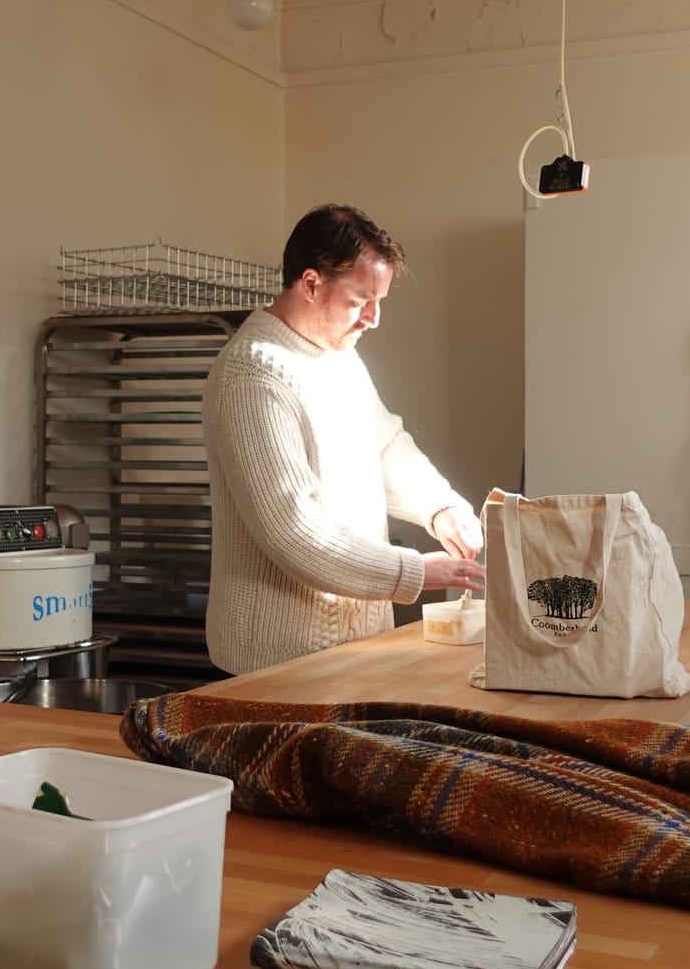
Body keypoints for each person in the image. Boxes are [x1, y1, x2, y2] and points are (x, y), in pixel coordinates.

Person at [202, 204, 485, 675]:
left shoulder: (339, 357)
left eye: (380, 301)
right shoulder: (251, 376)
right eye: (359, 301)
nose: (373, 318)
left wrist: (442, 507)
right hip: (276, 665)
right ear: (311, 283)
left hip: (359, 652)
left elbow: (386, 446)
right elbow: (291, 529)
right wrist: (412, 571)